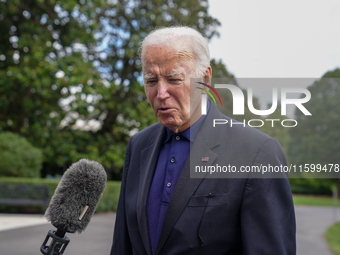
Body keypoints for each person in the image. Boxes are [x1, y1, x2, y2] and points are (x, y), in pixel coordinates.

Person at [110, 26, 296, 255]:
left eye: (174, 79)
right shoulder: (138, 146)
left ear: (206, 78)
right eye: (151, 80)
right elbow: (122, 245)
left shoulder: (256, 152)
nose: (160, 93)